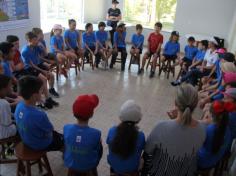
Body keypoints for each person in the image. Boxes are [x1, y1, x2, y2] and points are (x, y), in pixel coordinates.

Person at [142, 84, 206, 176]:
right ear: (195, 105)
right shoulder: (202, 129)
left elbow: (148, 151)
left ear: (176, 103)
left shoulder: (161, 127)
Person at [14, 76, 64, 151]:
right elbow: (50, 129)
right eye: (41, 91)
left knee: (57, 135)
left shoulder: (19, 106)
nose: (43, 92)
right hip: (39, 144)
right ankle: (65, 153)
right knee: (62, 141)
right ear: (34, 96)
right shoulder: (39, 115)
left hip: (26, 139)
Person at [64, 94, 102, 176]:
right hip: (88, 166)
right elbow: (97, 149)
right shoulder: (96, 133)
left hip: (70, 163)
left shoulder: (66, 128)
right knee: (99, 145)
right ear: (91, 115)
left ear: (74, 113)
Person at [21, 32, 59, 109]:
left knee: (51, 75)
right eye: (35, 40)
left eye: (37, 39)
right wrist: (43, 71)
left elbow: (44, 54)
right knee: (44, 79)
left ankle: (51, 90)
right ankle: (45, 100)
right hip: (29, 68)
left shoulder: (36, 47)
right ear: (29, 40)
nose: (37, 41)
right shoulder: (25, 51)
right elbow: (32, 65)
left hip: (37, 65)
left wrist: (41, 46)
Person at [107, 100, 145, 175]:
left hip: (115, 168)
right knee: (142, 159)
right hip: (132, 170)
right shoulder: (140, 136)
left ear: (120, 117)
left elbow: (109, 146)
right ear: (138, 120)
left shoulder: (112, 131)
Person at [198, 101, 233, 170]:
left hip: (201, 162)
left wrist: (202, 121)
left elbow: (196, 144)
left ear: (211, 114)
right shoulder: (227, 129)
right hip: (214, 160)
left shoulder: (209, 129)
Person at [0, 74, 17, 140]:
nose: (12, 87)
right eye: (10, 85)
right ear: (3, 89)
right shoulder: (4, 104)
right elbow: (7, 123)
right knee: (23, 127)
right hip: (3, 133)